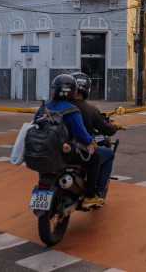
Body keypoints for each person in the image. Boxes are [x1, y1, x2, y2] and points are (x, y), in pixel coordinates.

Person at [38, 74, 103, 209]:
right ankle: (90, 196)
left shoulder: (45, 107)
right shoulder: (72, 110)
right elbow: (81, 135)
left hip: (45, 150)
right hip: (65, 152)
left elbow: (35, 125)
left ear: (54, 90)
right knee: (96, 158)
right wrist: (91, 141)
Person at [70, 82, 120, 205]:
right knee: (108, 154)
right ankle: (97, 193)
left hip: (58, 149)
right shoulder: (90, 109)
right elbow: (106, 129)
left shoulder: (58, 105)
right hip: (78, 151)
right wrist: (115, 126)